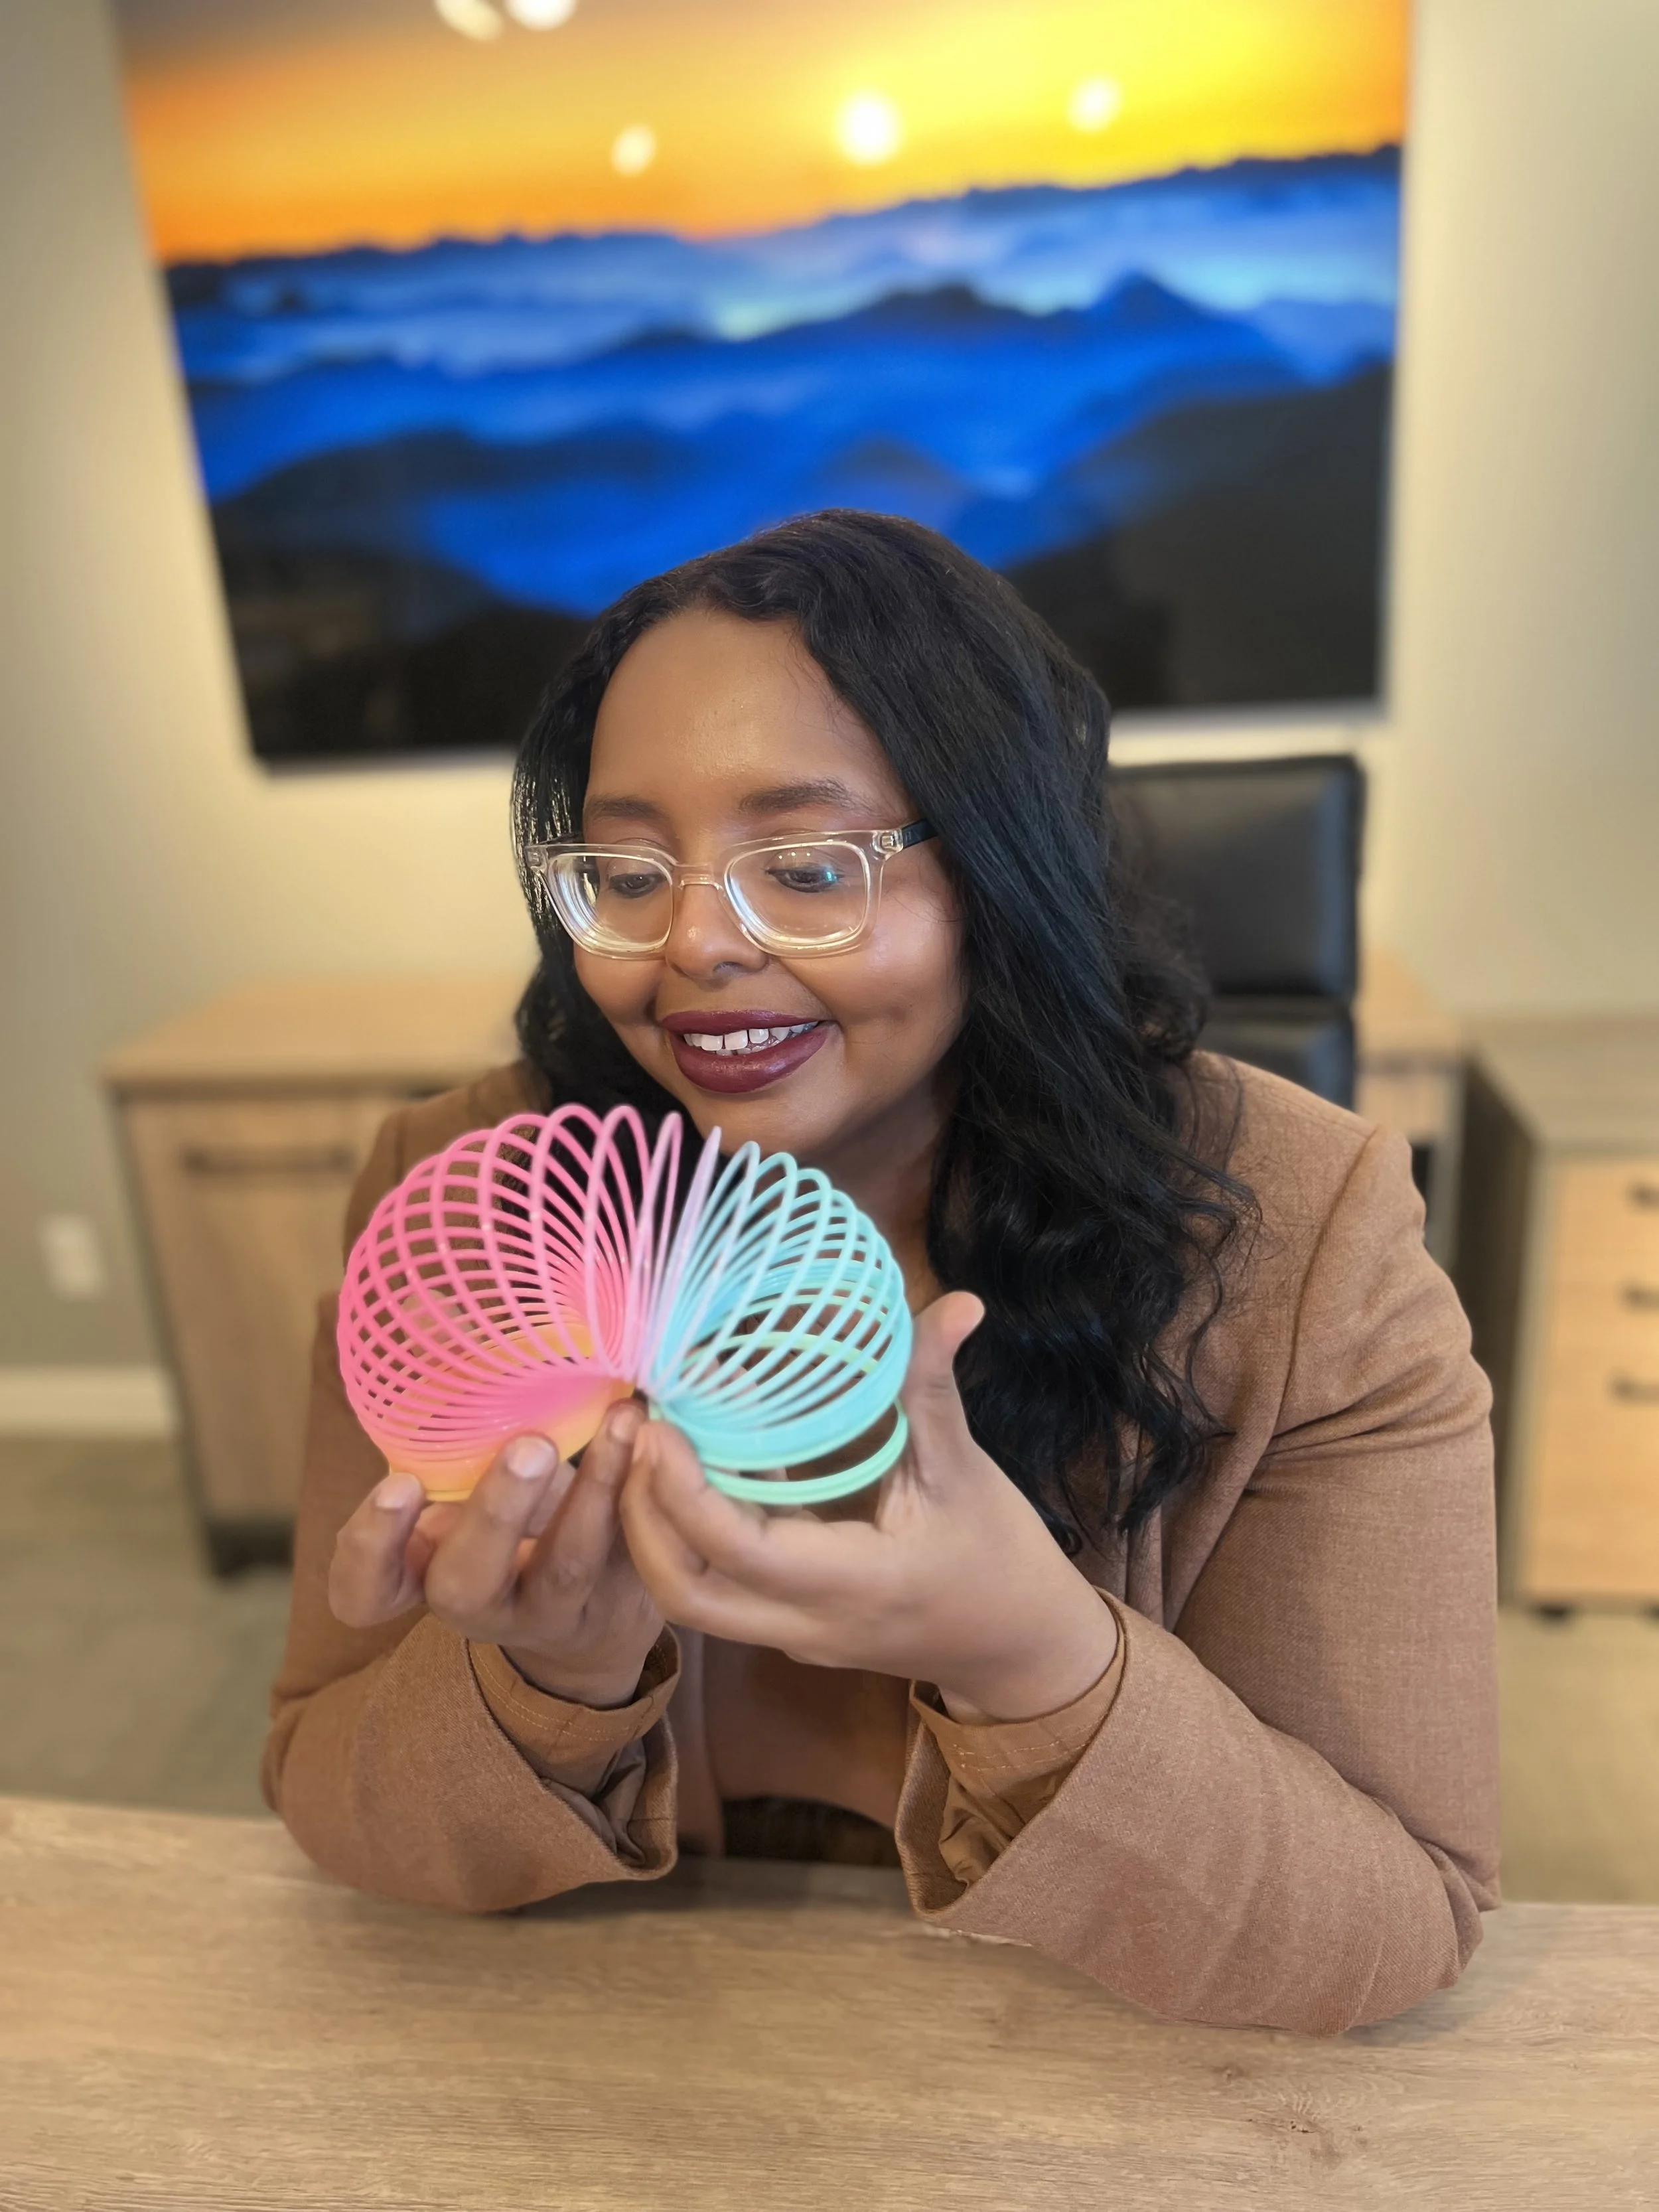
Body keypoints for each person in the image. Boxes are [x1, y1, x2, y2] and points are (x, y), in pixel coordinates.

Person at [264, 511, 1498, 2035]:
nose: (697, 946)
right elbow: (327, 1794)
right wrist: (549, 1679)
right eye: (627, 869)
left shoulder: (1299, 1235)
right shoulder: (468, 1207)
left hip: (1086, 2058)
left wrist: (1027, 1651)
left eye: (804, 864)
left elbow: (1397, 1919)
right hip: (636, 2047)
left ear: (993, 865)